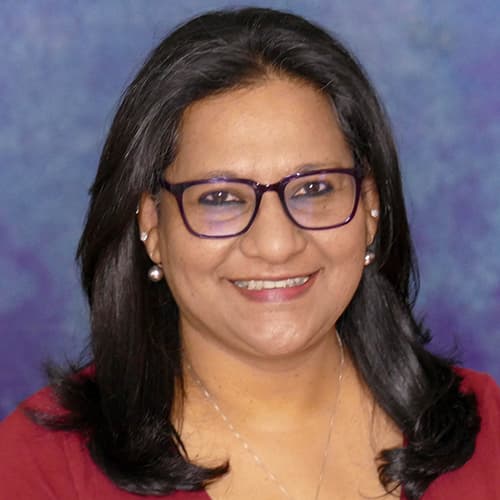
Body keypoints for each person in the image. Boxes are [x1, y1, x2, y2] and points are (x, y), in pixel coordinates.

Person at [1, 7, 499, 500]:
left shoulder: (490, 431)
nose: (277, 245)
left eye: (314, 188)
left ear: (370, 207)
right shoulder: (41, 468)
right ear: (151, 224)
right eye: (220, 198)